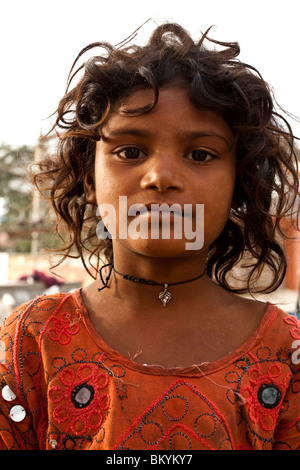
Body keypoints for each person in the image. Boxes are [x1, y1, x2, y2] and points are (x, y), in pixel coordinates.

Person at [0, 22, 299, 451]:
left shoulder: (287, 355)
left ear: (239, 183)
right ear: (89, 178)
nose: (160, 177)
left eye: (200, 154)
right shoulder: (32, 340)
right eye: (130, 151)